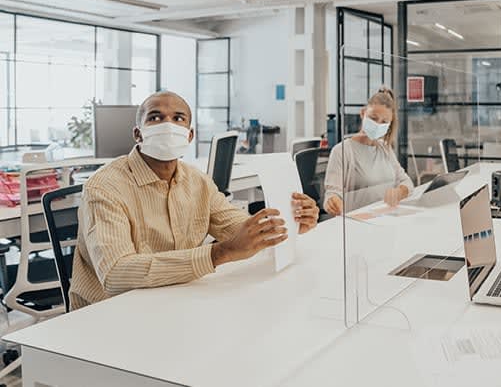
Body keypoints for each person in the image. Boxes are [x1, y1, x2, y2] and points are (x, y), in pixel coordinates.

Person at [69, 91, 320, 310]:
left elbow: (239, 229)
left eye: (178, 118)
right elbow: (116, 274)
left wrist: (288, 222)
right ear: (138, 133)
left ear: (189, 136)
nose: (167, 124)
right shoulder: (105, 186)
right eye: (155, 117)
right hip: (109, 315)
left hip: (174, 299)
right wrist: (219, 253)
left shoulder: (197, 181)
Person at [324, 86, 414, 215]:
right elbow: (332, 194)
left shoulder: (385, 148)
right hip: (357, 222)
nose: (378, 124)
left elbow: (406, 182)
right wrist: (333, 202)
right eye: (373, 118)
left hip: (386, 217)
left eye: (384, 122)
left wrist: (399, 192)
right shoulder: (342, 151)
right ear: (363, 113)